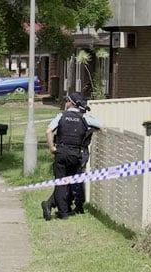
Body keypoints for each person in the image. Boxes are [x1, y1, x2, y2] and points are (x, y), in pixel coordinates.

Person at [41, 92, 102, 221]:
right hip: (75, 154)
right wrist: (89, 131)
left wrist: (52, 148)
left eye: (66, 100)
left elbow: (48, 131)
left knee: (60, 183)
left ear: (71, 103)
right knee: (70, 181)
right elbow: (102, 127)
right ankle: (57, 206)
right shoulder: (84, 117)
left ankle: (62, 212)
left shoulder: (61, 116)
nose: (65, 103)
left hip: (61, 152)